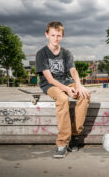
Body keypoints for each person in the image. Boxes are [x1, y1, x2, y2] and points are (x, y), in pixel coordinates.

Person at [35, 21, 90, 158]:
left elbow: (73, 70)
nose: (56, 38)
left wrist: (78, 85)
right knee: (63, 98)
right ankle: (62, 143)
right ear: (46, 35)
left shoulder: (66, 53)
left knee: (85, 95)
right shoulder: (41, 53)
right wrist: (66, 89)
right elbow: (49, 78)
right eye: (53, 35)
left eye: (58, 35)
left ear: (62, 36)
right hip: (50, 85)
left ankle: (75, 135)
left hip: (67, 82)